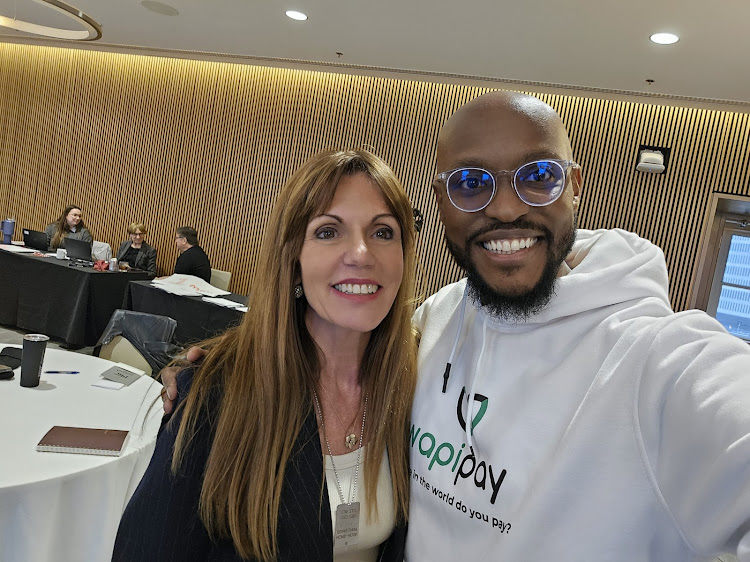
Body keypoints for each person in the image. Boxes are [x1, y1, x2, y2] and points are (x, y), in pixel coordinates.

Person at [162, 92, 750, 561]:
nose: (504, 208)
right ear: (440, 203)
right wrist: (222, 365)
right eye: (471, 184)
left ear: (574, 186)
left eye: (537, 176)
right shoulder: (435, 324)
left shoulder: (664, 364)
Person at [114, 149, 418, 561]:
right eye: (328, 232)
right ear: (294, 260)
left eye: (383, 232)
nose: (362, 254)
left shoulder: (417, 380)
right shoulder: (218, 391)